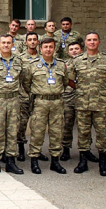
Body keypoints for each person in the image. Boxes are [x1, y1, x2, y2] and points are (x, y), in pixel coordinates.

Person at [71, 32, 106, 176]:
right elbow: (69, 80)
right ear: (85, 43)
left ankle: (103, 163)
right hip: (83, 105)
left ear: (99, 42)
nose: (92, 42)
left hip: (101, 104)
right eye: (89, 40)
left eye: (95, 40)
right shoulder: (77, 60)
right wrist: (81, 89)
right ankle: (83, 162)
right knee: (83, 134)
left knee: (103, 134)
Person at [22, 37, 70, 175]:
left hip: (57, 102)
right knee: (37, 132)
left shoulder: (61, 65)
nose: (48, 49)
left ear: (54, 48)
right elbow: (26, 84)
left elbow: (65, 82)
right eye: (45, 47)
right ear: (40, 49)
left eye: (51, 47)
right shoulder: (33, 65)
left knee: (57, 132)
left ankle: (55, 161)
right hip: (40, 102)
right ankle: (34, 160)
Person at [0, 35, 24, 175]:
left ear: (12, 44)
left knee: (13, 131)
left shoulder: (19, 60)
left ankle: (11, 162)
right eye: (3, 43)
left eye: (8, 43)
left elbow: (23, 79)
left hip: (13, 99)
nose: (6, 45)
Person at [17, 33, 40, 161]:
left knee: (38, 126)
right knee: (22, 124)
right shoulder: (19, 58)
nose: (32, 42)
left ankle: (37, 150)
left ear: (37, 42)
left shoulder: (43, 58)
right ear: (25, 42)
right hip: (24, 96)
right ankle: (21, 149)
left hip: (38, 96)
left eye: (34, 40)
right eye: (30, 40)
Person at [60, 41, 83, 161]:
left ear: (81, 50)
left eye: (77, 48)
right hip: (68, 98)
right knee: (67, 125)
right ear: (68, 52)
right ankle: (66, 149)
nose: (74, 51)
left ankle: (85, 151)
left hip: (84, 99)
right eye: (72, 49)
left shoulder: (86, 63)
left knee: (84, 126)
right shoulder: (64, 65)